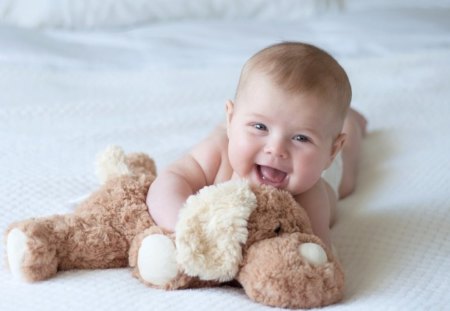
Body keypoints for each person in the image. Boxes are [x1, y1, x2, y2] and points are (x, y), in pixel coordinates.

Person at [146, 42, 366, 249]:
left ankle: (352, 123)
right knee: (234, 133)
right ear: (231, 120)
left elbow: (314, 256)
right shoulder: (217, 154)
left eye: (301, 138)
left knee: (346, 182)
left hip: (328, 172)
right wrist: (186, 228)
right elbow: (167, 184)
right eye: (260, 127)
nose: (276, 149)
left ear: (331, 151)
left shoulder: (311, 197)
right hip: (232, 135)